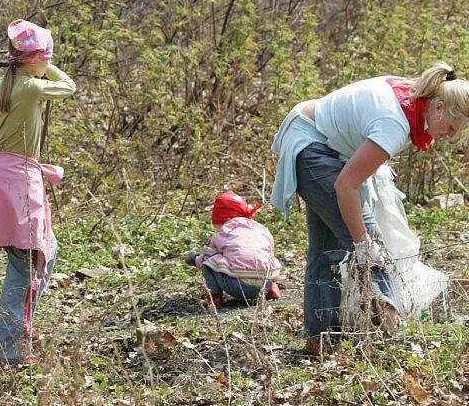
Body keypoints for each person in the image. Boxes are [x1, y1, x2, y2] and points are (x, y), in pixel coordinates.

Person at [270, 62, 469, 353]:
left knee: (328, 250)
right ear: (437, 107)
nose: (449, 137)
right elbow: (345, 185)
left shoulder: (411, 92)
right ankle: (390, 342)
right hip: (310, 145)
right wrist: (362, 243)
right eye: (450, 128)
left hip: (313, 138)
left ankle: (321, 340)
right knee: (373, 249)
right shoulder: (396, 124)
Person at [0, 19, 76, 366]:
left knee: (40, 254)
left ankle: (16, 333)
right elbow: (69, 86)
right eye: (46, 55)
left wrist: (35, 61)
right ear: (34, 59)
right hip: (19, 180)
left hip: (3, 179)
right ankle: (3, 349)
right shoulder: (33, 87)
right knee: (29, 265)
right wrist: (48, 67)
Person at [182, 191, 282, 310]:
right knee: (266, 256)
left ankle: (214, 298)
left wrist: (195, 259)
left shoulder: (225, 231)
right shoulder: (260, 228)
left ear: (221, 220)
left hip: (239, 286)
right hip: (264, 284)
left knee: (208, 261)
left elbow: (208, 255)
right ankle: (273, 288)